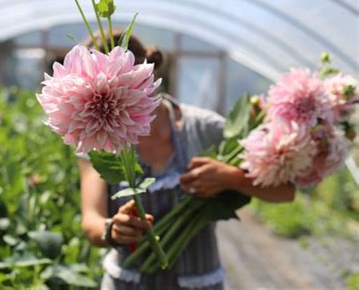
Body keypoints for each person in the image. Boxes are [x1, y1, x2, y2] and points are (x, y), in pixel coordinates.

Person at [78, 31, 295, 290]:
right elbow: (91, 219)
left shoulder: (202, 127)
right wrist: (112, 230)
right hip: (128, 282)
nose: (109, 101)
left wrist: (232, 177)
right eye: (97, 95)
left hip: (198, 282)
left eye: (118, 88)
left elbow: (285, 190)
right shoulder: (99, 138)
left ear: (145, 77)